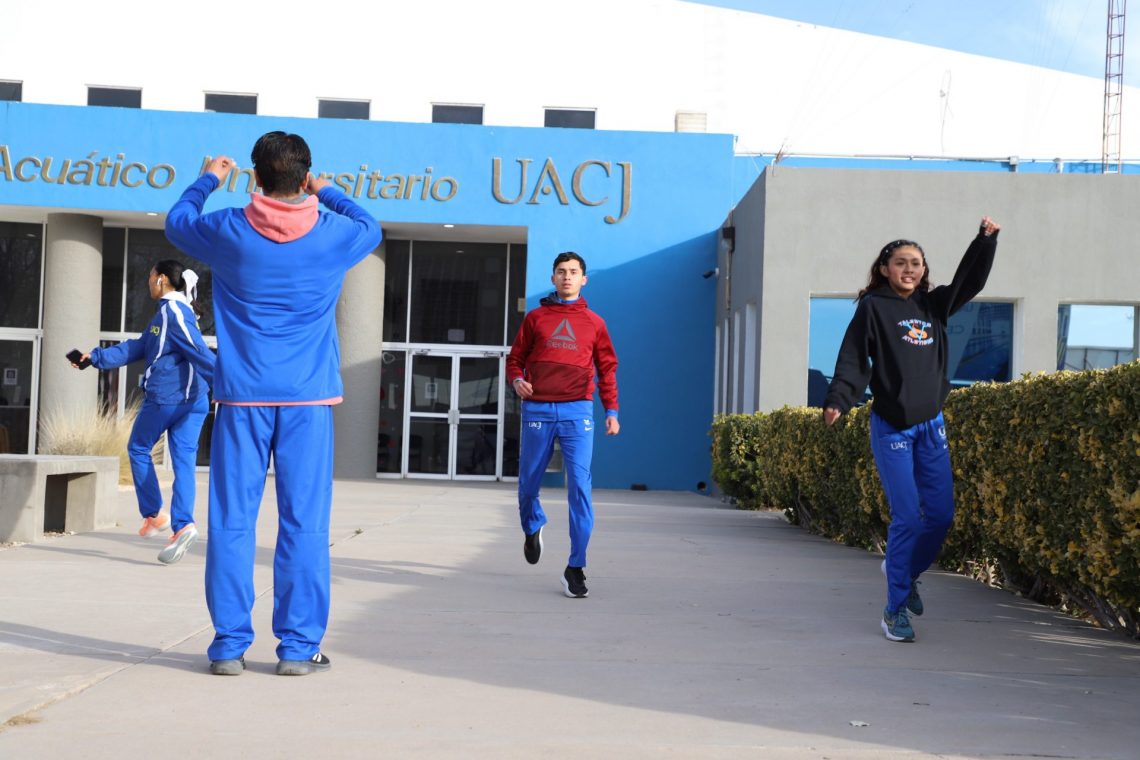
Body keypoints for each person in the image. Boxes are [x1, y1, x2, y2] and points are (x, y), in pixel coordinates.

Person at [165, 131, 381, 677]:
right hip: (309, 399)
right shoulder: (335, 233)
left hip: (242, 398)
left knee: (232, 521)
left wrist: (209, 178)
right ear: (304, 177)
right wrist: (328, 191)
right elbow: (371, 226)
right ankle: (298, 648)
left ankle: (228, 646)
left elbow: (178, 221)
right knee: (304, 522)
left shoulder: (228, 228)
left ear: (255, 177)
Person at [822, 216, 1001, 643]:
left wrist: (984, 242)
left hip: (931, 426)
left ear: (924, 270)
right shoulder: (874, 307)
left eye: (916, 263)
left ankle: (906, 571)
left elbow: (970, 281)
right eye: (900, 262)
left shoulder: (933, 305)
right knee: (906, 517)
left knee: (939, 517)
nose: (908, 269)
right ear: (885, 268)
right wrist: (838, 399)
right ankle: (895, 609)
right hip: (892, 427)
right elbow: (854, 357)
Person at [73, 259, 215, 565]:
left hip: (168, 398)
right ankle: (183, 525)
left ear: (161, 279)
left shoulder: (173, 312)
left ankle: (154, 515)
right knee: (184, 463)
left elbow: (198, 350)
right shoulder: (171, 313)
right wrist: (94, 357)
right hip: (193, 401)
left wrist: (227, 384)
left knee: (138, 448)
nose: (148, 282)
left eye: (150, 277)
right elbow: (138, 347)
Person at [506, 251, 620, 598]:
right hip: (538, 410)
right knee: (528, 484)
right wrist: (517, 380)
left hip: (577, 412)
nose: (567, 276)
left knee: (580, 489)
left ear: (583, 279)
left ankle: (576, 567)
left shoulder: (595, 323)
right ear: (553, 278)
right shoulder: (536, 318)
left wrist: (611, 410)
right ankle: (532, 524)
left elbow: (607, 368)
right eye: (561, 271)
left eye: (573, 272)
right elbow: (515, 359)